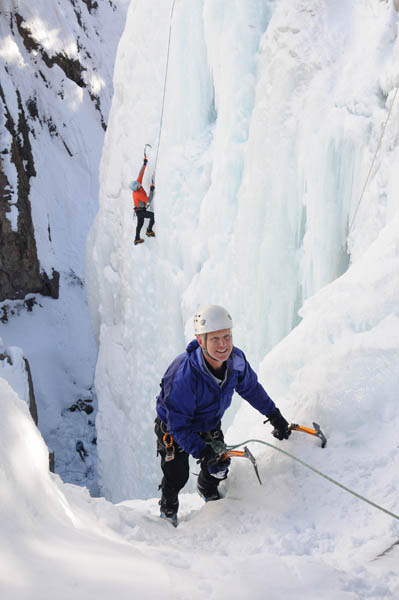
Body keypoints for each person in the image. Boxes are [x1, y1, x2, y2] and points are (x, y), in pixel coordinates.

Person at [154, 304, 291, 525]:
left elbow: (251, 389)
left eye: (227, 337)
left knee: (218, 467)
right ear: (201, 341)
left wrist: (274, 414)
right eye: (215, 339)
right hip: (175, 426)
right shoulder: (185, 376)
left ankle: (207, 488)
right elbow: (177, 424)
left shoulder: (235, 362)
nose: (223, 345)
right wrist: (202, 451)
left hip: (208, 422)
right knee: (177, 474)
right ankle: (168, 507)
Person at [130, 157, 155, 246]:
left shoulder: (137, 185)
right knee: (153, 216)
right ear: (136, 188)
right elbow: (149, 200)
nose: (140, 183)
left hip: (138, 210)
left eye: (138, 183)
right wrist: (152, 189)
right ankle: (149, 230)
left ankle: (137, 239)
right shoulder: (138, 194)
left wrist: (144, 164)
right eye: (138, 184)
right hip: (141, 211)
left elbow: (140, 174)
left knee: (140, 224)